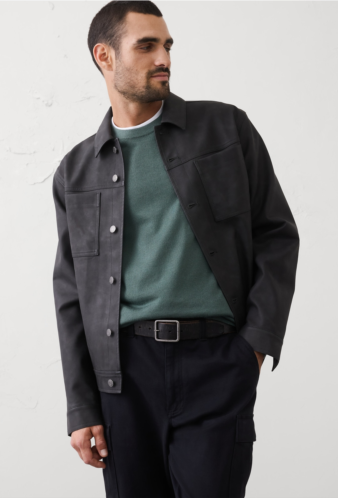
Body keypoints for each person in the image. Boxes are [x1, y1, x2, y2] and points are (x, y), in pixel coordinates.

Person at [52, 1, 300, 496]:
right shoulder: (76, 172)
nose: (163, 57)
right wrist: (81, 406)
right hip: (123, 379)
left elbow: (276, 235)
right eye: (146, 46)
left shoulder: (226, 129)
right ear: (105, 56)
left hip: (217, 363)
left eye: (166, 45)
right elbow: (71, 293)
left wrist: (253, 347)